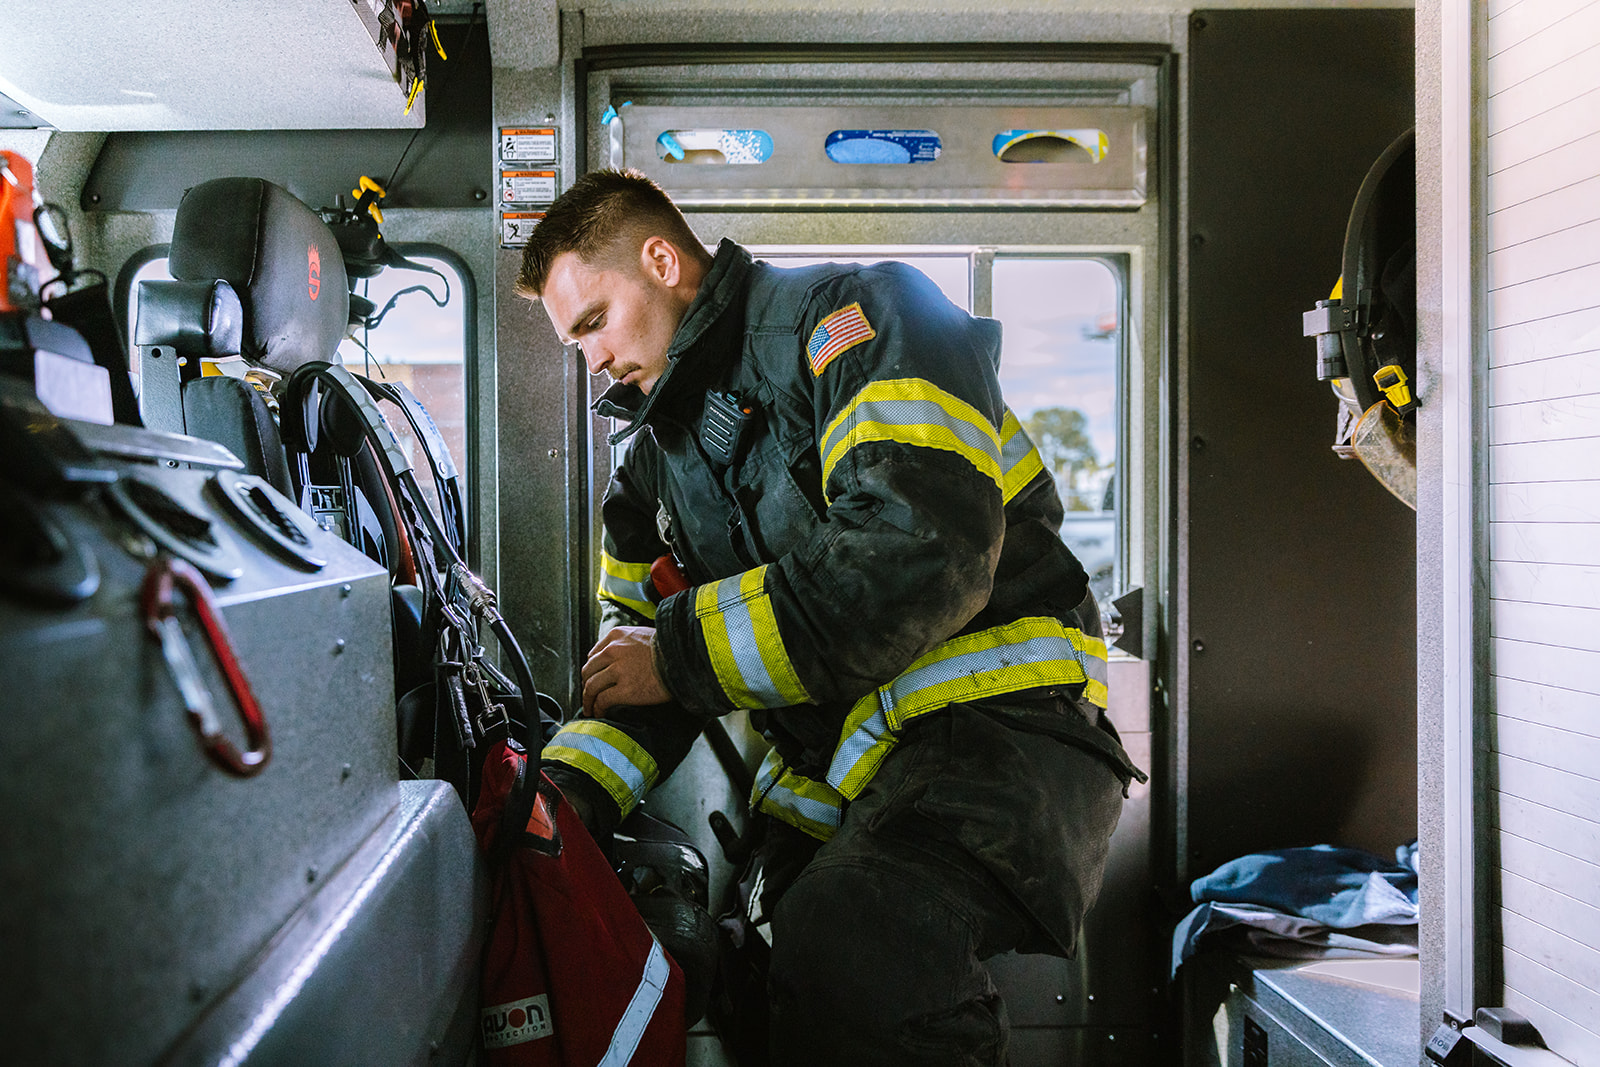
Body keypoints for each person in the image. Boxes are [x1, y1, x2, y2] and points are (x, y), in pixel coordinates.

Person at [516, 168, 1143, 1066]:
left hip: (1004, 737)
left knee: (856, 940)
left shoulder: (861, 318)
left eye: (593, 321)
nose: (594, 360)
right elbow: (634, 667)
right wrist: (557, 808)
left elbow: (919, 556)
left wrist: (683, 655)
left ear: (660, 259)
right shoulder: (649, 477)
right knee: (750, 976)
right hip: (853, 771)